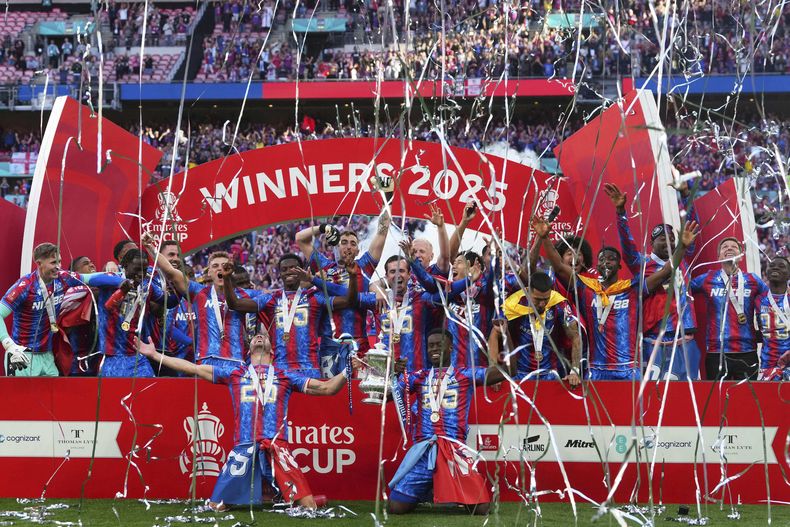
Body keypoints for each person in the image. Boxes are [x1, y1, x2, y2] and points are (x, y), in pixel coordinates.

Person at [136, 330, 349, 510]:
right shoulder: (235, 373)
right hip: (244, 448)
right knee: (216, 507)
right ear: (248, 351)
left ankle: (291, 497)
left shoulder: (285, 375)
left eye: (264, 337)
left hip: (277, 447)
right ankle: (272, 496)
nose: (259, 336)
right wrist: (155, 355)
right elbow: (193, 368)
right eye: (255, 336)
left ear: (272, 352)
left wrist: (348, 369)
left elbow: (327, 388)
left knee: (309, 507)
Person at [534, 216, 699, 380]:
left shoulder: (632, 288)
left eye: (611, 259)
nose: (606, 262)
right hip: (596, 370)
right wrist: (545, 238)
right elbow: (559, 266)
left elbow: (665, 272)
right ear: (596, 265)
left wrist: (682, 248)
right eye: (602, 259)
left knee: (633, 407)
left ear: (619, 266)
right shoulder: (586, 287)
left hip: (628, 370)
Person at [386, 325, 514, 515]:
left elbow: (509, 371)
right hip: (424, 452)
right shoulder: (418, 377)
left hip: (454, 452)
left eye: (439, 345)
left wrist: (505, 333)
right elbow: (387, 397)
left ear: (451, 348)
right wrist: (393, 375)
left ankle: (461, 489)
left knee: (481, 510)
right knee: (396, 507)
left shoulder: (466, 374)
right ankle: (428, 490)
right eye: (430, 346)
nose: (434, 349)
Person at [604, 182, 701, 380]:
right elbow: (627, 245)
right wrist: (620, 212)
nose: (669, 242)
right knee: (653, 394)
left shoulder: (683, 258)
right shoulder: (641, 263)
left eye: (672, 238)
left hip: (684, 338)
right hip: (654, 340)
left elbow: (692, 226)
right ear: (652, 243)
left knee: (689, 395)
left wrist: (685, 194)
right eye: (662, 239)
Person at [224, 255, 359, 378]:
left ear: (301, 271)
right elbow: (235, 304)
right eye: (284, 269)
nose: (288, 271)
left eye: (293, 268)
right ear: (280, 274)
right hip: (280, 370)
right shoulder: (271, 298)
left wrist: (353, 277)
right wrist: (226, 279)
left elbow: (349, 301)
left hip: (310, 368)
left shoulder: (315, 298)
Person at [295, 211, 390, 376]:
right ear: (336, 246)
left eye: (353, 243)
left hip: (359, 345)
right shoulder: (323, 266)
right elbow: (300, 238)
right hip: (330, 346)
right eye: (343, 242)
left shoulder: (364, 266)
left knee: (361, 392)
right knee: (331, 395)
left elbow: (382, 232)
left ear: (358, 250)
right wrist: (323, 227)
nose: (348, 246)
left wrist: (386, 202)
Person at [147, 245, 259, 378]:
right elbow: (171, 272)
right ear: (209, 272)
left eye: (224, 265)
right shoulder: (199, 292)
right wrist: (151, 248)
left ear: (231, 270)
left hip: (235, 363)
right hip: (205, 362)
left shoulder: (248, 295)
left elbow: (275, 300)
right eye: (215, 266)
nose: (220, 268)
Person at [1, 243, 110, 376]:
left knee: (54, 397)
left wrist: (121, 278)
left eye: (59, 261)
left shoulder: (63, 278)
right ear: (39, 263)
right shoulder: (25, 286)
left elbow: (91, 278)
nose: (58, 266)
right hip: (23, 356)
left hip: (47, 356)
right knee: (22, 397)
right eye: (53, 262)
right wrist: (9, 345)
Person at [689, 237, 768, 380]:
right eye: (725, 247)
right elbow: (682, 291)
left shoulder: (753, 280)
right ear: (718, 256)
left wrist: (764, 330)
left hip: (747, 352)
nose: (730, 248)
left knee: (746, 399)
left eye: (734, 246)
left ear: (741, 255)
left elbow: (772, 302)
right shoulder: (707, 278)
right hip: (716, 353)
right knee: (716, 401)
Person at [502, 271, 581, 385]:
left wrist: (575, 370)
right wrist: (496, 373)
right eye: (538, 299)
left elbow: (575, 336)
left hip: (550, 375)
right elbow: (496, 334)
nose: (542, 304)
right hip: (520, 375)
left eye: (546, 299)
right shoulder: (514, 304)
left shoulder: (559, 303)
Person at [756, 257, 790, 381]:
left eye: (781, 266)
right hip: (767, 366)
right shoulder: (758, 299)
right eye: (772, 265)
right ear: (766, 271)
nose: (775, 267)